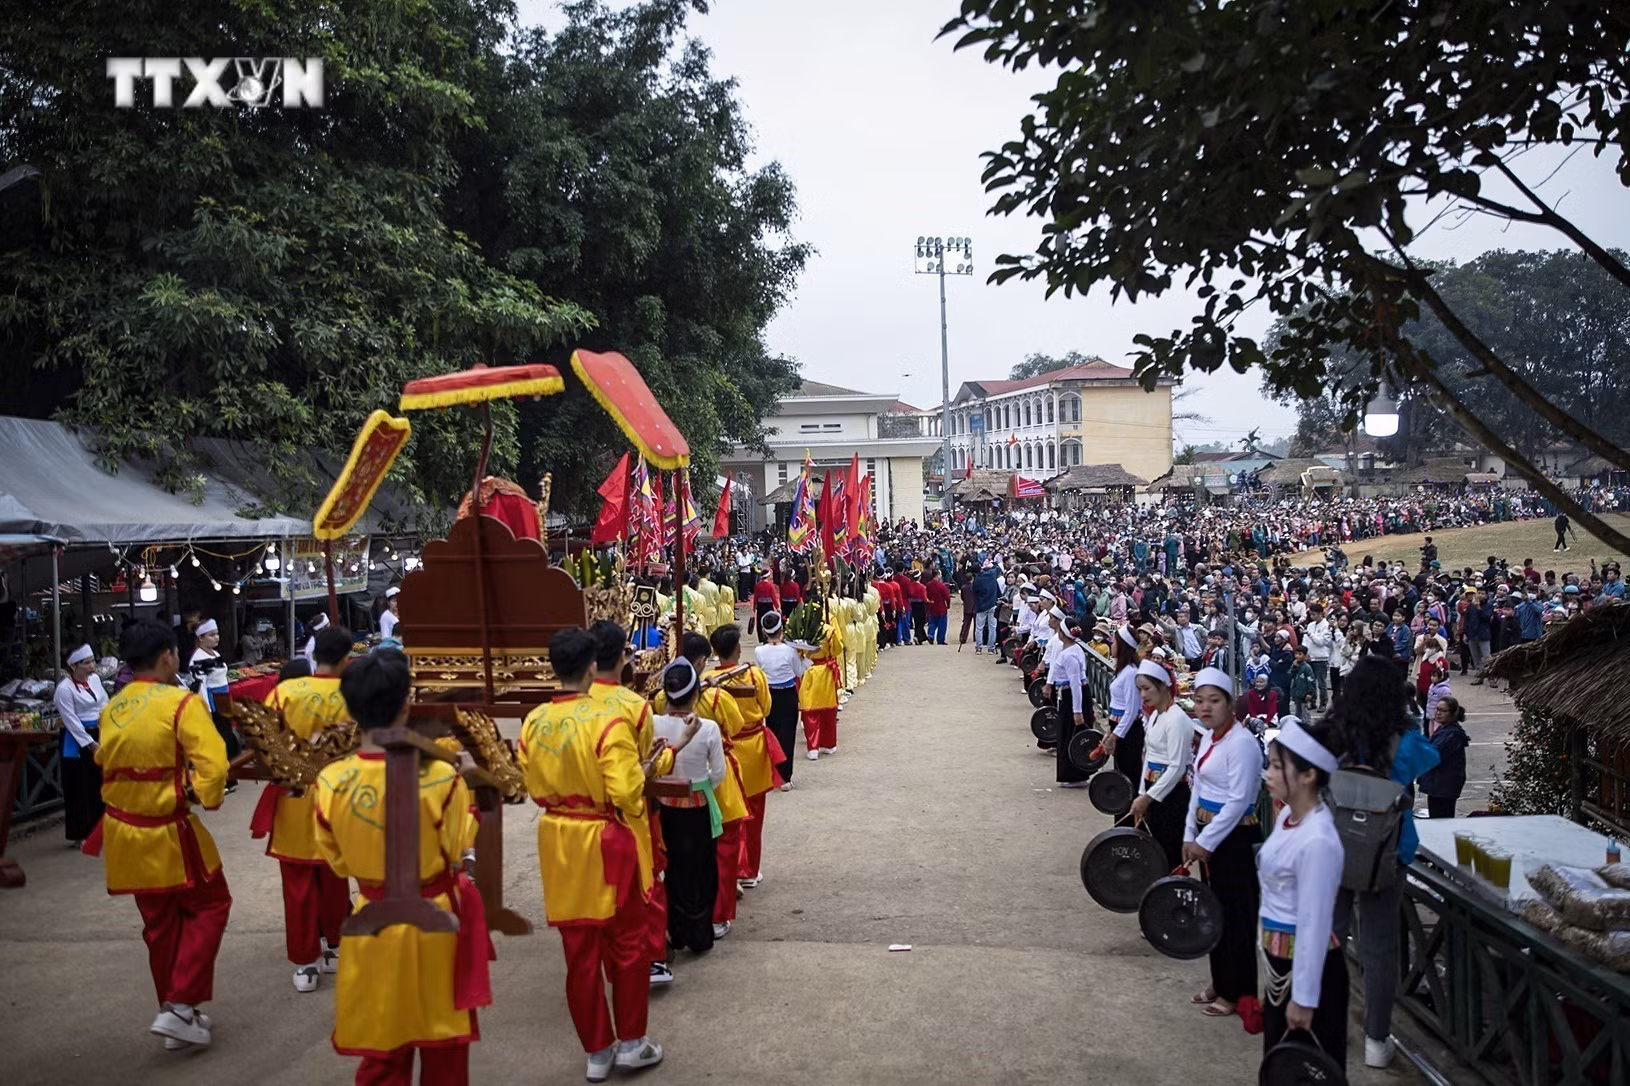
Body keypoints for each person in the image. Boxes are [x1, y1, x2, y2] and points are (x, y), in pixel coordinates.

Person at [310, 649, 490, 1085]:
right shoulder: (440, 778)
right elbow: (456, 844)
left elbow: (334, 858)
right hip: (435, 922)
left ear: (352, 710)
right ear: (406, 704)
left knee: (382, 1054)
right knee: (444, 1054)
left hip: (370, 922)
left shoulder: (330, 782)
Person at [517, 627, 672, 1082]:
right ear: (591, 666)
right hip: (606, 837)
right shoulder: (610, 720)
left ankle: (597, 1052)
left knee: (578, 952)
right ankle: (631, 1042)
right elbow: (626, 793)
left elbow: (531, 781)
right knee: (626, 944)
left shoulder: (534, 721)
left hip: (558, 839)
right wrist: (645, 769)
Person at [88, 618, 231, 1049]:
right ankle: (181, 1006)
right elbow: (216, 766)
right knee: (211, 905)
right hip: (168, 829)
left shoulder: (113, 706)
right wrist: (202, 793)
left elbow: (105, 759)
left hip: (124, 831)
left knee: (159, 925)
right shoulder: (179, 702)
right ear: (168, 655)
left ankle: (176, 1014)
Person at [1323, 655, 1441, 1069]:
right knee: (1379, 947)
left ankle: (1325, 1025)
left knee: (1329, 937)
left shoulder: (1335, 734)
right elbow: (1431, 761)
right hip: (1388, 851)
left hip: (1333, 845)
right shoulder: (1406, 740)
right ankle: (1376, 1039)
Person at [256, 626, 354, 993]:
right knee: (334, 876)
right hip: (336, 796)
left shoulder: (284, 691)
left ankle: (305, 964)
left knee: (297, 885)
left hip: (294, 797)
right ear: (346, 659)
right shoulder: (350, 693)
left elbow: (265, 743)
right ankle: (334, 946)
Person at [585, 621, 676, 987]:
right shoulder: (634, 705)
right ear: (624, 656)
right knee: (646, 880)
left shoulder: (567, 708)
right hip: (628, 812)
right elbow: (648, 765)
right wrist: (664, 757)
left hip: (577, 817)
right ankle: (651, 957)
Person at [1257, 717, 1348, 1072]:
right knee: (1280, 1068)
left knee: (1310, 1072)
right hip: (1281, 966)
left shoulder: (1319, 840)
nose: (1268, 773)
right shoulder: (1287, 819)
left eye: (1278, 766)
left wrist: (1305, 998)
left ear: (1309, 775)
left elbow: (1314, 922)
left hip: (1310, 973)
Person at [1183, 665, 1262, 1020]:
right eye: (1199, 701)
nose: (1205, 707)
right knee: (1213, 911)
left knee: (1236, 914)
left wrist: (1207, 842)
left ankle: (1238, 989)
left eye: (1214, 701)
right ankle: (1220, 979)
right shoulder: (1209, 739)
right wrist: (1190, 835)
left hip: (1234, 839)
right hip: (1208, 836)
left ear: (1230, 704)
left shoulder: (1241, 743)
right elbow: (1197, 787)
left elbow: (1239, 800)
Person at [650, 660, 726, 954]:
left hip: (663, 806)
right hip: (698, 803)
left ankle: (674, 930)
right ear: (696, 692)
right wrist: (699, 782)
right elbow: (718, 774)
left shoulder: (654, 723)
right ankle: (699, 932)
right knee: (702, 870)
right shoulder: (707, 728)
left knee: (671, 869)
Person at [707, 624, 777, 889]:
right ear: (738, 648)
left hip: (724, 751)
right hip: (754, 746)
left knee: (728, 815)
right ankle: (749, 870)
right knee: (755, 813)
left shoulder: (708, 680)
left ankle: (732, 867)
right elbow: (766, 707)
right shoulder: (754, 675)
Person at [1127, 658, 1193, 864]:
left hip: (1171, 795)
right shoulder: (1156, 715)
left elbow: (1177, 767)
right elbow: (1148, 757)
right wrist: (1141, 794)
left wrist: (1148, 798)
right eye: (1139, 690)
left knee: (1168, 852)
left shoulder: (1177, 719)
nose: (1143, 695)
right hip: (1152, 788)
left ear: (1164, 686)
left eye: (1147, 688)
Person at [54, 643, 108, 847]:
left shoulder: (94, 680)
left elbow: (104, 701)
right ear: (74, 666)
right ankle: (80, 832)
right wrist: (91, 744)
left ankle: (100, 828)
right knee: (79, 786)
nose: (92, 666)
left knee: (98, 784)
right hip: (77, 740)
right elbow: (71, 721)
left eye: (93, 661)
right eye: (86, 663)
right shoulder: (64, 689)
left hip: (98, 730)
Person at [755, 611, 804, 788]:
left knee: (773, 732)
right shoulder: (790, 650)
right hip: (788, 693)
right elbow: (799, 672)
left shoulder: (759, 651)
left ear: (764, 631)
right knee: (787, 736)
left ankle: (773, 774)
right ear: (781, 629)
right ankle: (785, 777)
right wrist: (807, 658)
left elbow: (761, 672)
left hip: (770, 694)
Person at [1043, 617, 1092, 789]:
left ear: (1063, 633)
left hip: (1072, 696)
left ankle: (1075, 775)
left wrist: (1077, 711)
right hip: (1069, 694)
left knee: (1070, 735)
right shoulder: (1073, 649)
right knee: (1066, 733)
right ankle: (1073, 774)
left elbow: (1075, 684)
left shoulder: (1070, 655)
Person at [797, 604, 844, 759]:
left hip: (809, 670)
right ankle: (829, 744)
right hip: (825, 671)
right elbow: (837, 649)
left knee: (810, 710)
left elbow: (797, 653)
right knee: (828, 710)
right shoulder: (829, 630)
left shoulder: (802, 631)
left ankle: (813, 748)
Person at [1102, 626, 1144, 783]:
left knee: (1129, 772)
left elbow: (1131, 711)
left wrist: (1114, 736)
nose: (1111, 645)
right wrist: (1109, 729)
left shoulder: (1131, 673)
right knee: (1121, 770)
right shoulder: (1122, 670)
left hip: (1129, 731)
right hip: (1119, 727)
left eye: (1114, 642)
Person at [1421, 695, 1469, 819]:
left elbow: (1432, 755)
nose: (1438, 713)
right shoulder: (1444, 729)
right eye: (1437, 709)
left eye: (1443, 711)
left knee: (1441, 820)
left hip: (1444, 787)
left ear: (1453, 713)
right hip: (1440, 785)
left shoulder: (1451, 734)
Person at [972, 560, 1002, 654]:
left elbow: (973, 590)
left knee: (979, 628)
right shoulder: (991, 573)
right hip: (992, 604)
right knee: (992, 627)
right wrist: (989, 566)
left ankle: (979, 647)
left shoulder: (977, 579)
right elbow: (998, 568)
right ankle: (991, 648)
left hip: (981, 605)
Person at [925, 567, 951, 645]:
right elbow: (947, 597)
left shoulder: (928, 585)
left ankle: (931, 635)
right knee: (942, 625)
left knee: (932, 623)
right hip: (941, 607)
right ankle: (940, 639)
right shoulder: (941, 586)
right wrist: (948, 605)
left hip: (932, 606)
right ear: (937, 575)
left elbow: (927, 595)